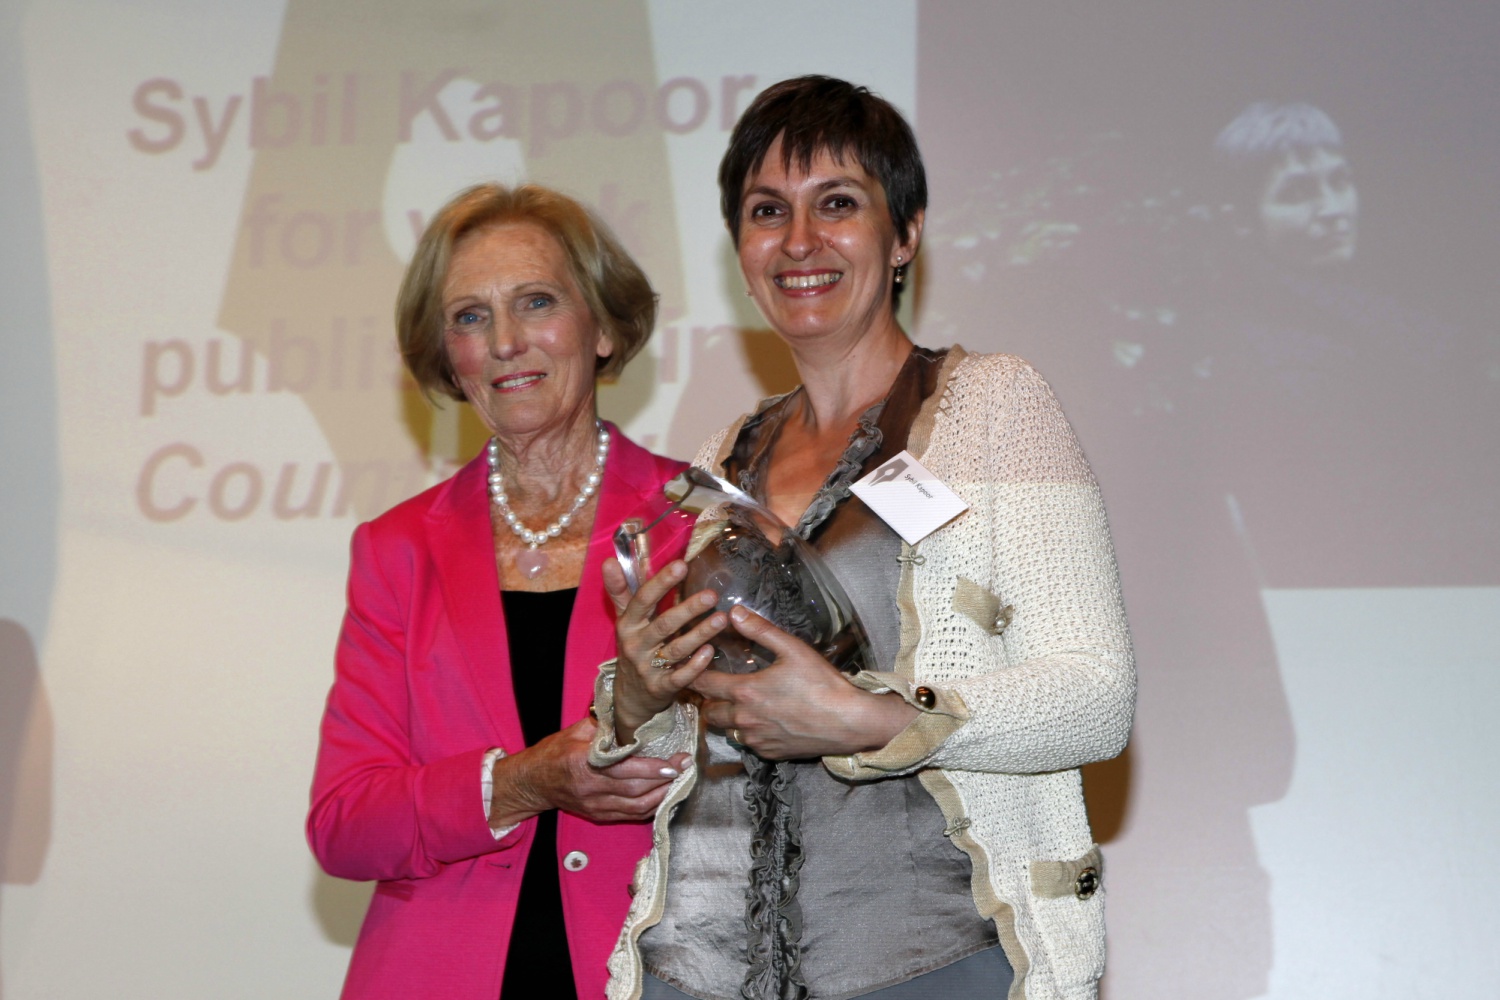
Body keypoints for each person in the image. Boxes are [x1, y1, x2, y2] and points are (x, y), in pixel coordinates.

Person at [591, 76, 1136, 1000]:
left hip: (925, 958)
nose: (799, 242)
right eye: (768, 211)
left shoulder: (996, 405)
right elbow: (690, 739)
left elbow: (1096, 698)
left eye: (836, 204)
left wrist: (876, 718)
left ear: (906, 235)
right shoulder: (723, 454)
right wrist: (643, 690)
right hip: (703, 965)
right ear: (740, 248)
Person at [308, 183, 690, 1000]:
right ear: (448, 356)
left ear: (606, 327)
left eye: (537, 302)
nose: (507, 342)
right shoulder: (396, 550)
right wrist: (517, 783)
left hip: (655, 973)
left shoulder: (692, 524)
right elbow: (344, 824)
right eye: (471, 318)